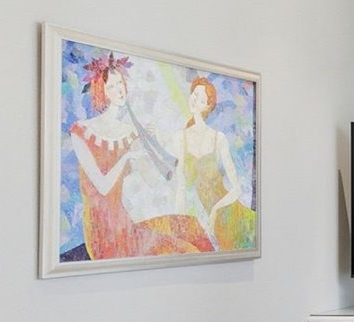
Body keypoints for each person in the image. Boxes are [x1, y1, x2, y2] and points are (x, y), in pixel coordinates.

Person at [67, 52, 212, 260]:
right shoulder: (81, 131)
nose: (119, 90)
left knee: (192, 228)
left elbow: (152, 180)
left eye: (120, 83)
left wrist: (153, 143)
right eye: (111, 86)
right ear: (101, 91)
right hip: (104, 235)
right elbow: (103, 186)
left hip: (124, 224)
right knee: (187, 250)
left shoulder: (128, 132)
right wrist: (127, 157)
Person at [176, 75, 256, 252]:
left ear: (207, 106)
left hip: (229, 213)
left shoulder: (218, 138)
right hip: (205, 219)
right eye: (194, 94)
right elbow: (180, 186)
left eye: (200, 98)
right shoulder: (181, 138)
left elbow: (236, 189)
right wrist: (179, 221)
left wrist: (215, 211)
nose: (194, 100)